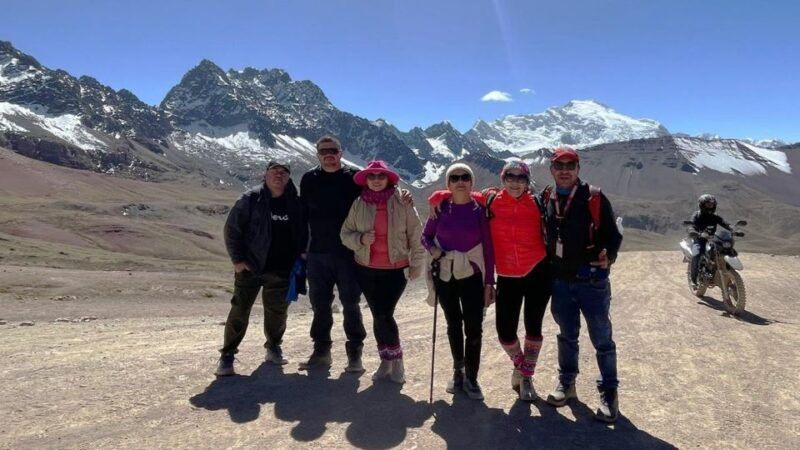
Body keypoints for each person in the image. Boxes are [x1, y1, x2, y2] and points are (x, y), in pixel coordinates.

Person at [426, 161, 551, 401]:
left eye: (521, 178)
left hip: (538, 270)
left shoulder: (538, 203)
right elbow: (460, 193)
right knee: (505, 332)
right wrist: (438, 195)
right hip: (506, 275)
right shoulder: (490, 200)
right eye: (510, 177)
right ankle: (518, 366)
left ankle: (526, 377)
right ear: (503, 179)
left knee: (533, 328)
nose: (515, 182)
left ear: (528, 181)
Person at [299, 136, 413, 373]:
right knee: (319, 304)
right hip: (317, 253)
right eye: (323, 151)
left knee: (350, 303)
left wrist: (405, 196)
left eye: (333, 150)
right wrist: (302, 248)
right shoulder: (309, 179)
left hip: (349, 254)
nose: (328, 155)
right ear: (317, 154)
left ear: (340, 153)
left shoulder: (354, 177)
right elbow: (302, 215)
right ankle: (321, 352)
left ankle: (355, 355)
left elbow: (380, 191)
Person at [542, 147, 623, 423]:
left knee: (602, 339)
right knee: (566, 335)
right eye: (559, 165)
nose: (564, 170)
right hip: (561, 282)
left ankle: (609, 392)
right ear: (551, 169)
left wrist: (609, 256)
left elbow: (613, 235)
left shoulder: (594, 198)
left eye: (570, 165)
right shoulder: (546, 197)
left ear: (578, 169)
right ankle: (567, 384)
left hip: (591, 281)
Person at [216, 160, 306, 376]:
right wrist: (237, 260)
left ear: (288, 177)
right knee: (240, 310)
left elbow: (305, 230)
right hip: (251, 267)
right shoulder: (251, 199)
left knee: (277, 313)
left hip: (283, 269)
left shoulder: (295, 202)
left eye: (284, 172)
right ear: (265, 175)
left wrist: (302, 255)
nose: (279, 175)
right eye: (274, 171)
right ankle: (227, 355)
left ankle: (273, 347)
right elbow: (232, 230)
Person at [340, 160, 426, 384]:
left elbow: (416, 233)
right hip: (365, 268)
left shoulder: (403, 201)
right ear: (366, 180)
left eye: (381, 176)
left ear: (388, 179)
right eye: (372, 176)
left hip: (395, 269)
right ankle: (385, 360)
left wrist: (416, 263)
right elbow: (345, 233)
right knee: (378, 315)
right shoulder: (359, 203)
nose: (376, 180)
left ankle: (396, 360)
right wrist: (360, 239)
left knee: (384, 314)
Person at [421, 163, 495, 401]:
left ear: (471, 183)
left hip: (472, 276)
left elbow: (489, 250)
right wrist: (433, 250)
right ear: (448, 184)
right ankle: (459, 371)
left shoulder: (479, 211)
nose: (460, 181)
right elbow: (425, 236)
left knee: (474, 328)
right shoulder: (440, 208)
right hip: (446, 274)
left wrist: (489, 282)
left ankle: (471, 377)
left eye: (465, 177)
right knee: (453, 324)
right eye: (455, 177)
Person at [688, 194, 731, 285]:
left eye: (712, 204)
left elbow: (724, 223)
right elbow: (691, 225)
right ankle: (694, 279)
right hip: (700, 238)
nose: (711, 206)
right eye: (708, 204)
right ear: (702, 205)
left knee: (724, 249)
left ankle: (725, 270)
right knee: (697, 254)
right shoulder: (697, 215)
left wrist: (733, 229)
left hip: (712, 238)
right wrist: (693, 231)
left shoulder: (714, 216)